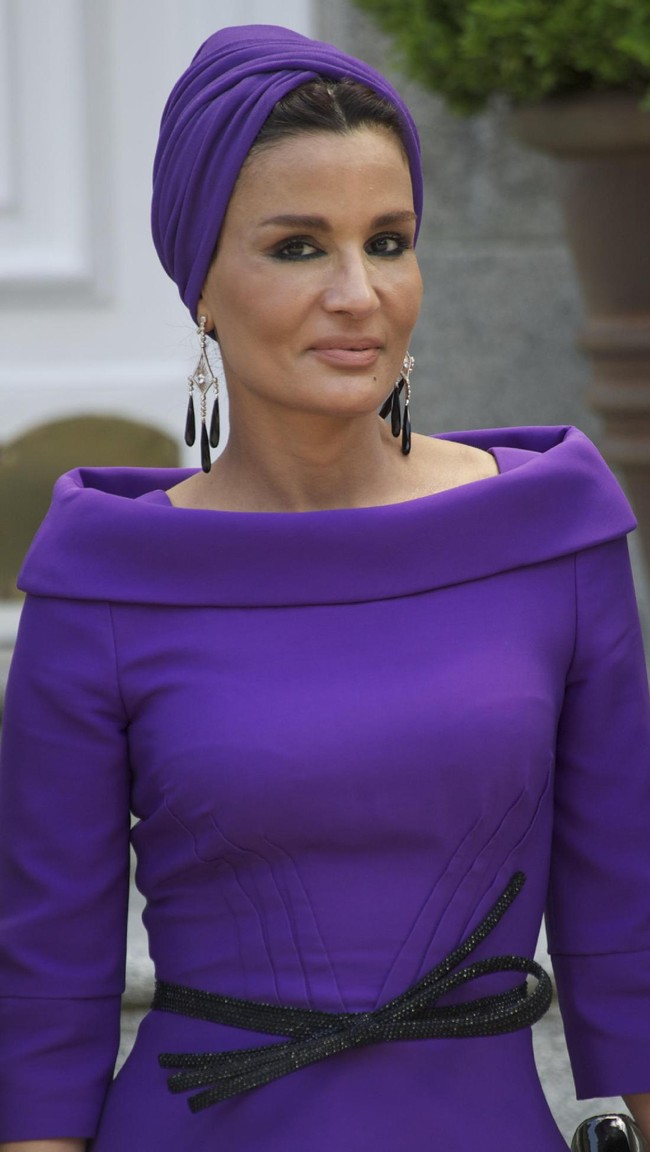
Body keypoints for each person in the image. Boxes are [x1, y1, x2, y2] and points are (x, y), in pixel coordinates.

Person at [0, 22, 649, 1152]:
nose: (359, 293)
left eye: (388, 241)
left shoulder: (551, 532)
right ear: (200, 280)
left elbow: (623, 929)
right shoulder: (103, 578)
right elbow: (44, 991)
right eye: (299, 246)